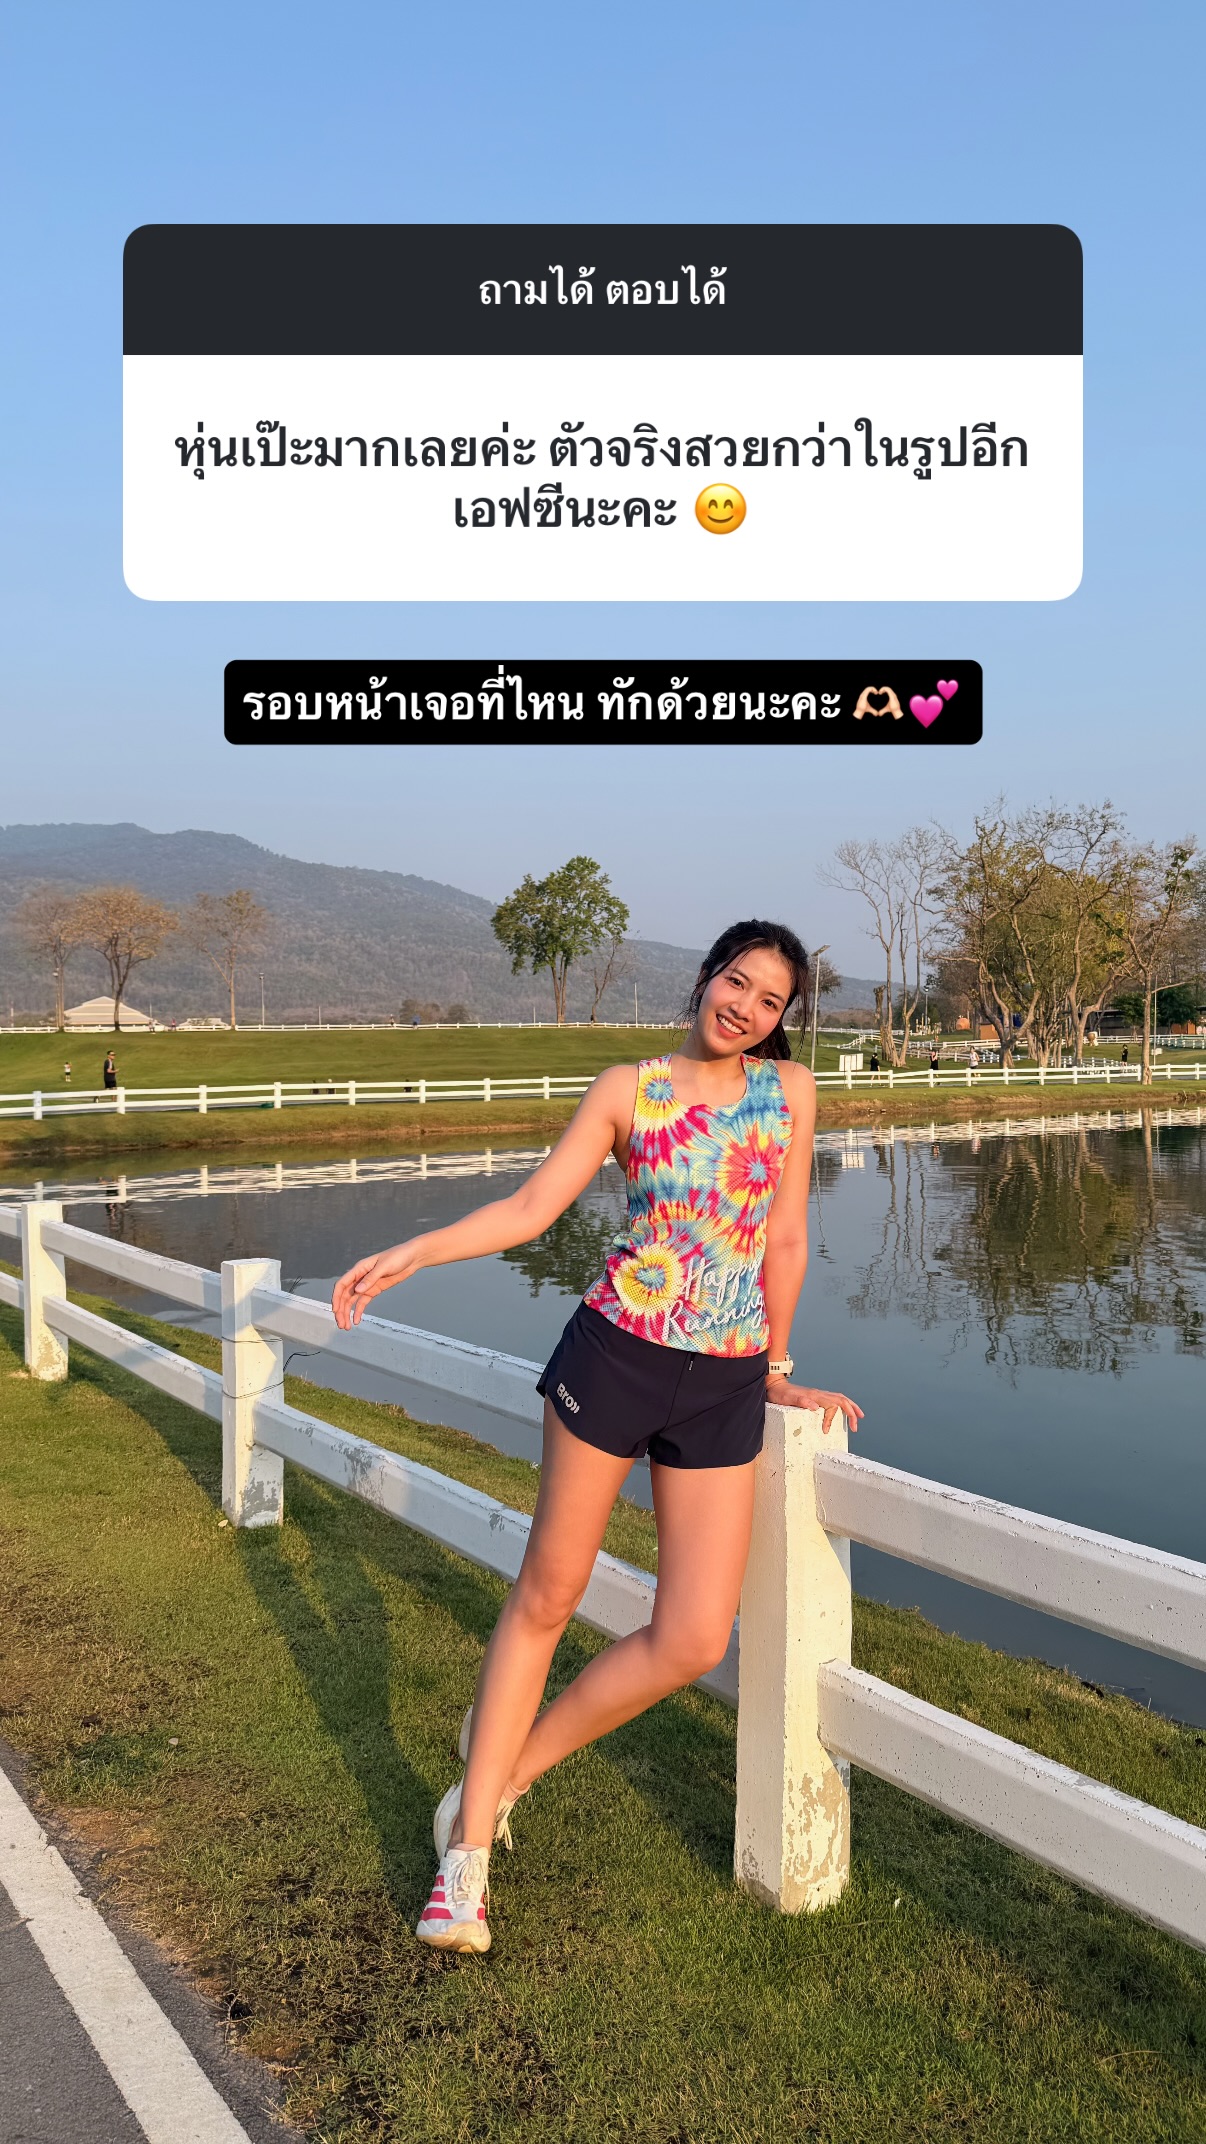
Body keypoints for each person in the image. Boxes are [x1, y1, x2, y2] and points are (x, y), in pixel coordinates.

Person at [333, 921, 863, 1955]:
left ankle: (500, 1777)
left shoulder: (790, 1094)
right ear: (705, 978)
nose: (747, 1008)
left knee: (694, 1637)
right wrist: (415, 1251)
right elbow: (533, 1208)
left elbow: (786, 1236)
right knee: (548, 1594)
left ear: (782, 1019)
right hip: (614, 1358)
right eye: (737, 982)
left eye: (770, 1001)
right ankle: (464, 1866)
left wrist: (776, 1367)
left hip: (724, 1381)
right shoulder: (630, 1089)